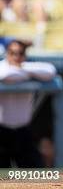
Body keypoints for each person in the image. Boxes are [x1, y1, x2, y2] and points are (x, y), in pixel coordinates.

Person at [0, 39, 57, 167]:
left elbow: (51, 71)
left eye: (20, 53)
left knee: (35, 174)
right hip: (1, 130)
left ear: (24, 55)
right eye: (12, 53)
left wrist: (23, 69)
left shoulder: (26, 66)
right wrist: (26, 73)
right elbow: (5, 75)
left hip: (22, 131)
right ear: (7, 53)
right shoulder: (3, 66)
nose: (16, 57)